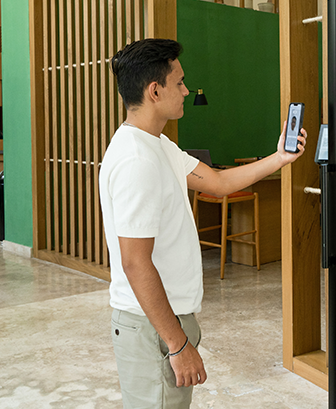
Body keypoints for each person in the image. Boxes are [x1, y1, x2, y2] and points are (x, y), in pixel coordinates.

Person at [98, 39, 307, 409]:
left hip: (165, 322)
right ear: (154, 90)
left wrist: (279, 157)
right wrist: (177, 344)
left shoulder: (157, 145)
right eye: (179, 83)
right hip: (153, 329)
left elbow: (219, 183)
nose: (185, 90)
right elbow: (135, 262)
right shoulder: (136, 160)